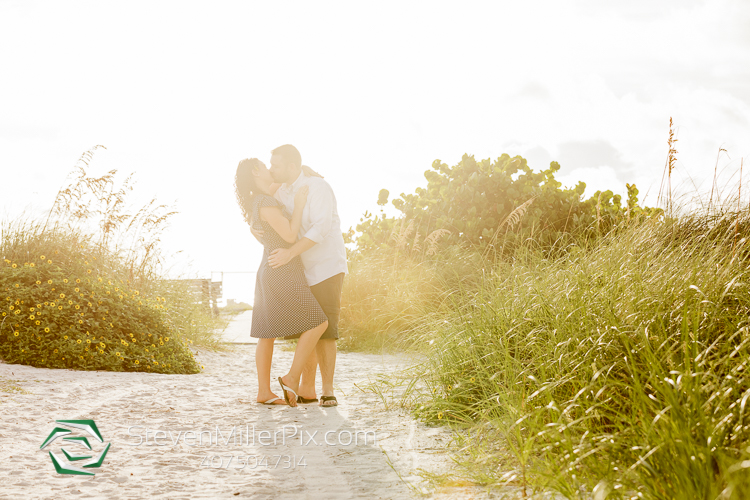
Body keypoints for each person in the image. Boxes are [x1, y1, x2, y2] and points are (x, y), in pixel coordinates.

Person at [234, 158, 328, 407]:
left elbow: (286, 177)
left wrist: (306, 171)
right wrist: (298, 206)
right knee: (319, 322)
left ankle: (263, 392)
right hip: (282, 269)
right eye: (266, 166)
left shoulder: (260, 199)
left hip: (269, 267)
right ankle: (290, 377)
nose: (271, 169)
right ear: (256, 171)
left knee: (266, 334)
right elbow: (289, 235)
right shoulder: (265, 202)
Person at [262, 144, 348, 407]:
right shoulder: (283, 190)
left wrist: (289, 254)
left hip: (327, 266)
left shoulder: (318, 187)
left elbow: (320, 229)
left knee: (327, 330)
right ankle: (307, 390)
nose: (270, 169)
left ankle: (328, 390)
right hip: (302, 269)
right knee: (310, 326)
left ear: (291, 165)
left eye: (275, 165)